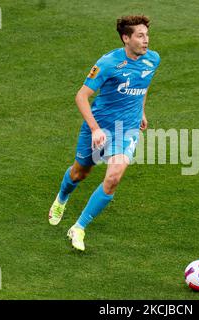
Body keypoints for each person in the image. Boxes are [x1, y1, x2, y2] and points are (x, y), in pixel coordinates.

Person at [48, 15, 160, 251]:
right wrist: (95, 129)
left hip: (126, 131)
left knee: (114, 177)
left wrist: (141, 112)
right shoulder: (108, 63)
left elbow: (143, 85)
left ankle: (78, 227)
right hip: (99, 127)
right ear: (125, 38)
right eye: (140, 36)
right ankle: (62, 198)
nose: (146, 40)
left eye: (147, 35)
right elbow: (81, 96)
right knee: (80, 173)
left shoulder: (153, 60)